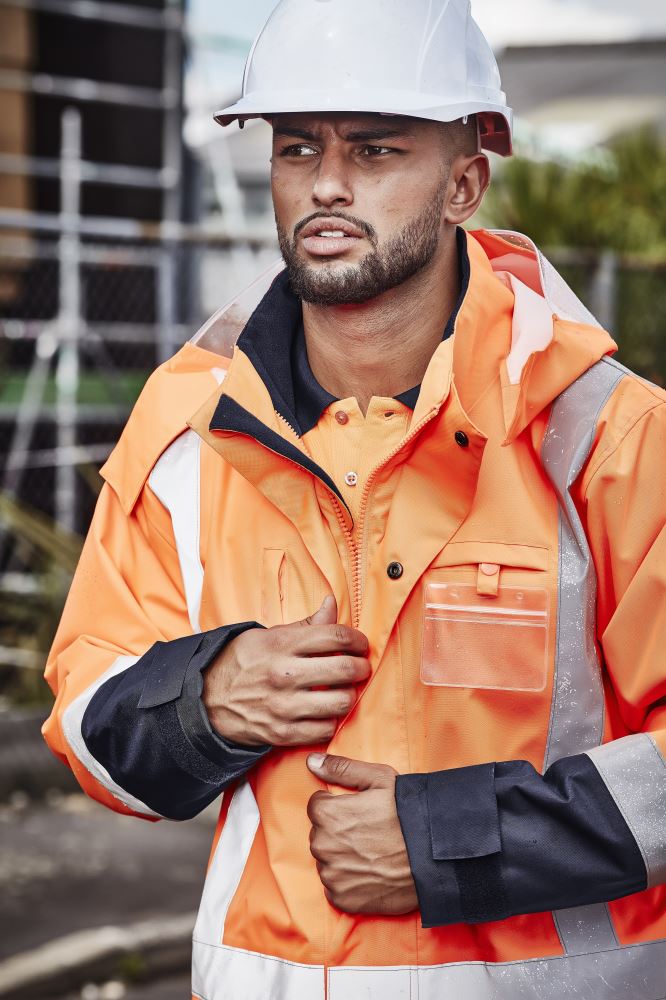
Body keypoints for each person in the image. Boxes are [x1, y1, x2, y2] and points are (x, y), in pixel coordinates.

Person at [43, 1, 666, 997]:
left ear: (464, 183)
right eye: (298, 148)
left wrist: (450, 841)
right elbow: (85, 721)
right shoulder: (186, 429)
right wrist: (203, 700)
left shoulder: (609, 438)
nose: (327, 183)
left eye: (375, 150)